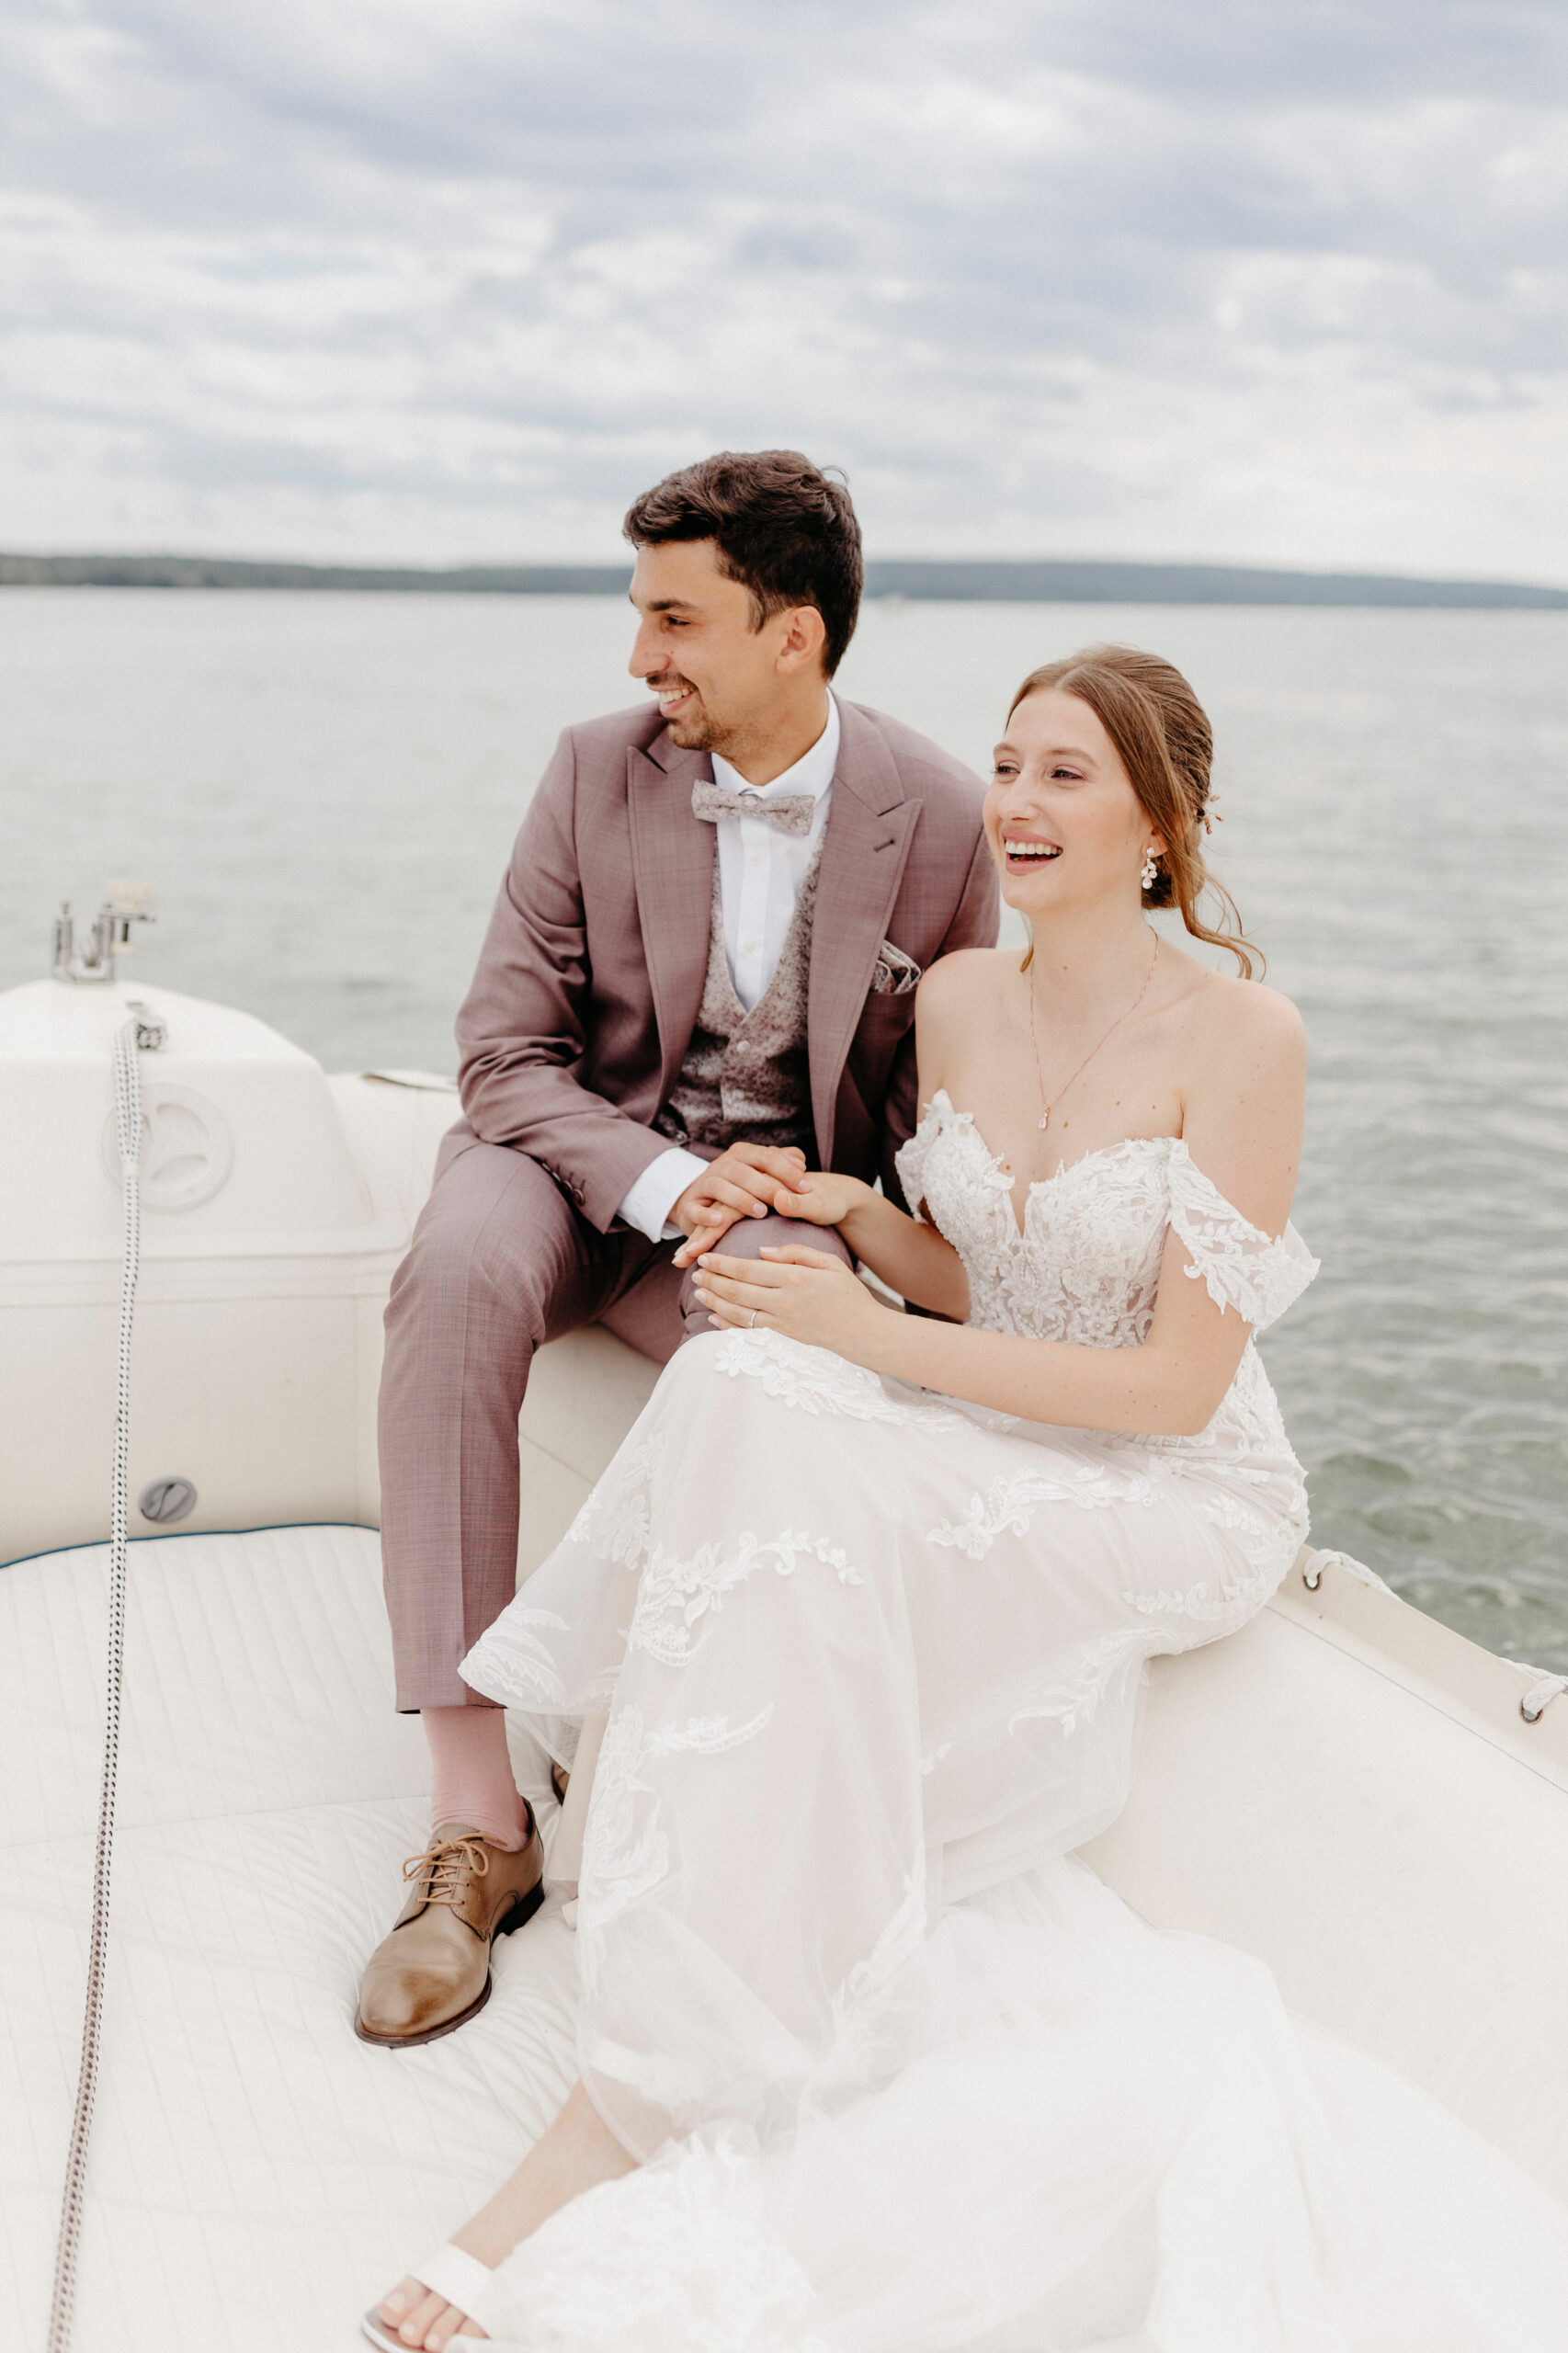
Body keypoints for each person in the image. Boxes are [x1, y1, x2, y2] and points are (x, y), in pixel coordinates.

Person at [365, 643, 1568, 2351]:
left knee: (797, 1399)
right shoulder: (954, 998)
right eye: (1005, 766)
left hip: (1171, 1488)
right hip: (1012, 1417)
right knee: (741, 1377)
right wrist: (860, 1225)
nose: (1012, 804)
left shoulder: (1244, 1039)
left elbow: (1169, 1384)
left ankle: (623, 2107)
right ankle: (640, 1826)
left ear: (1162, 823)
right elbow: (982, 1275)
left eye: (1065, 774)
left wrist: (869, 1332)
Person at [358, 450, 998, 2051]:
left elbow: (936, 1126)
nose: (640, 657)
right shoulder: (591, 767)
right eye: (639, 614)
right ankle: (474, 1821)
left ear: (794, 634)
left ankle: (688, 1771)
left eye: (672, 618)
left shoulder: (939, 817)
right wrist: (657, 1184)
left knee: (790, 1377)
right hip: (569, 1165)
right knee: (451, 1274)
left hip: (779, 1208)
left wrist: (827, 1224)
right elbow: (504, 1055)